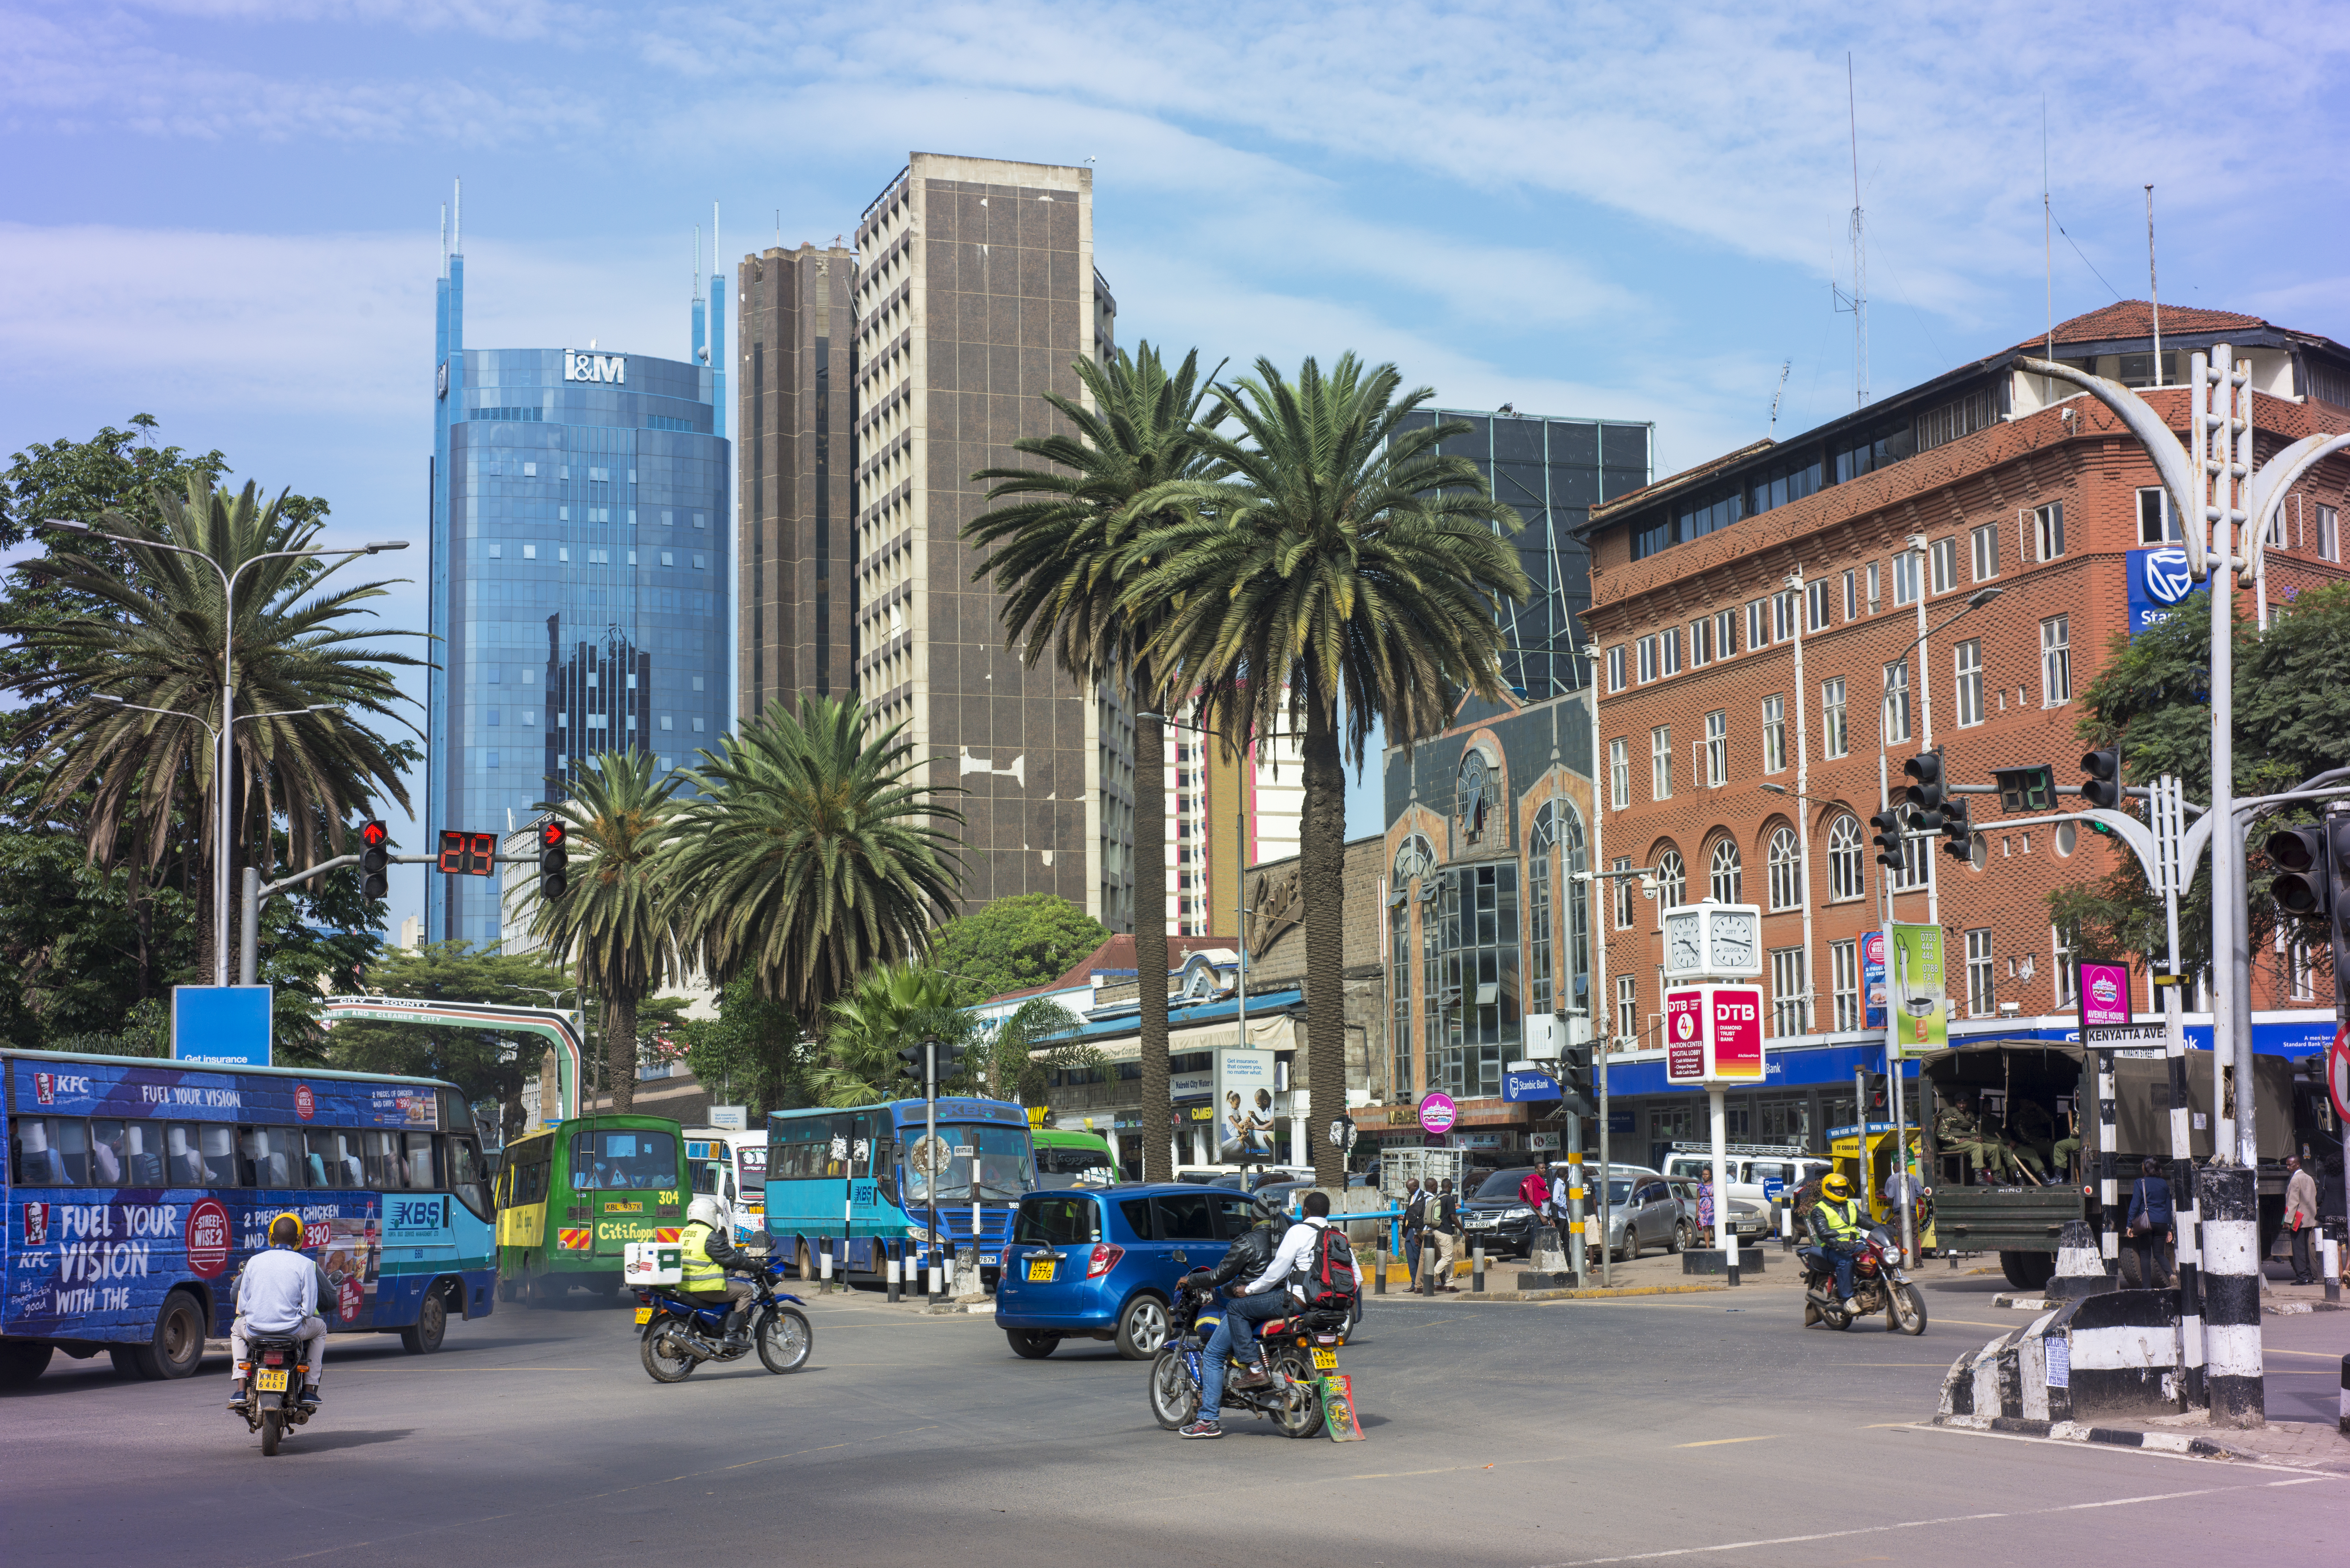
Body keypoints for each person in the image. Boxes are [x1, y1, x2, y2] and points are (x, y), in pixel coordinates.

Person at [1182, 1191, 1332, 1439]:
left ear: (1255, 1218)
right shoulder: (1287, 1237)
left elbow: (1221, 1275)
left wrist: (1192, 1280)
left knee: (1212, 1354)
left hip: (1263, 1302)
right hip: (1290, 1302)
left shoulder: (1249, 1241)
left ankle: (1208, 1418)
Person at [227, 1213, 327, 1410]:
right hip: (292, 1333)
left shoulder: (254, 1262)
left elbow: (244, 1306)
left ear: (271, 1237)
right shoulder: (306, 1264)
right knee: (321, 1329)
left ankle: (240, 1389)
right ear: (298, 1239)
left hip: (255, 1332)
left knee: (236, 1330)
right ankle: (309, 1389)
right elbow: (308, 1311)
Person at [677, 1194, 759, 1346]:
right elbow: (732, 1258)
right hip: (705, 1287)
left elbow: (707, 1258)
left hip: (686, 1286)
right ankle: (732, 1336)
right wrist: (757, 1266)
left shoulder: (685, 1233)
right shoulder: (709, 1236)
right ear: (707, 1214)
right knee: (746, 1291)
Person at [1803, 1173, 1869, 1315]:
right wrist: (1837, 1243)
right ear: (1829, 1189)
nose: (1841, 1191)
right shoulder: (1820, 1209)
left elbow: (1863, 1220)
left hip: (1854, 1243)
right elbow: (1822, 1232)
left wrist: (1881, 1227)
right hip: (1832, 1247)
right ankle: (1848, 1299)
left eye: (1843, 1188)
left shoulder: (1850, 1205)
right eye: (1837, 1189)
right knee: (1845, 1263)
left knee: (1876, 1256)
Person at [2124, 1158, 2174, 1289]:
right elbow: (2168, 1207)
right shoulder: (2164, 1184)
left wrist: (2130, 1224)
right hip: (2162, 1223)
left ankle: (2147, 1290)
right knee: (2159, 1254)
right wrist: (2169, 1228)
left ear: (2146, 1169)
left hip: (2147, 1224)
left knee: (2146, 1256)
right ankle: (2171, 1275)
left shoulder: (2140, 1183)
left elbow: (2135, 1205)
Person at [2281, 1156, 2320, 1286]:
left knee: (2298, 1251)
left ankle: (2303, 1278)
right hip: (2308, 1219)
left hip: (2297, 1220)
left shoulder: (2295, 1180)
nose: (2288, 1167)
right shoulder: (2309, 1178)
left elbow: (2293, 1202)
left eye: (2290, 1165)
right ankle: (2308, 1276)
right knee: (2305, 1250)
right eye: (2287, 1165)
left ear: (2298, 1165)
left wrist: (2287, 1220)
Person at [1430, 1179, 1462, 1291]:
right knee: (1447, 1257)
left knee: (1450, 1258)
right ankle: (1430, 1276)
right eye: (1452, 1187)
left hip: (1436, 1231)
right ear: (1449, 1187)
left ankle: (1450, 1284)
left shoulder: (1438, 1198)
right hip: (1445, 1232)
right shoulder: (1449, 1199)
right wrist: (1464, 1232)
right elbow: (1453, 1218)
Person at [1400, 1179, 1425, 1283]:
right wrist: (1404, 1217)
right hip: (1409, 1230)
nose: (1408, 1191)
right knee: (1410, 1257)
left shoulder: (1424, 1197)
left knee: (1417, 1256)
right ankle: (1414, 1283)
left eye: (1409, 1188)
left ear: (1415, 1187)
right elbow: (1411, 1213)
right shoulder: (1411, 1197)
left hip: (1417, 1231)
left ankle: (1421, 1282)